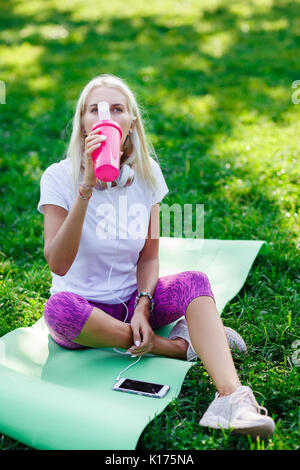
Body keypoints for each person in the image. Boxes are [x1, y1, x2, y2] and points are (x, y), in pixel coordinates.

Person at [37, 74, 275, 438]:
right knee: (58, 311)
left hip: (133, 301)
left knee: (194, 281)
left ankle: (232, 399)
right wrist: (86, 185)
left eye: (117, 109)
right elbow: (58, 263)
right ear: (82, 124)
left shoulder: (147, 176)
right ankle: (179, 346)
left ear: (130, 124)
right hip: (84, 314)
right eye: (95, 110)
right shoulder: (58, 178)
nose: (106, 117)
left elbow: (149, 257)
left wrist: (144, 305)